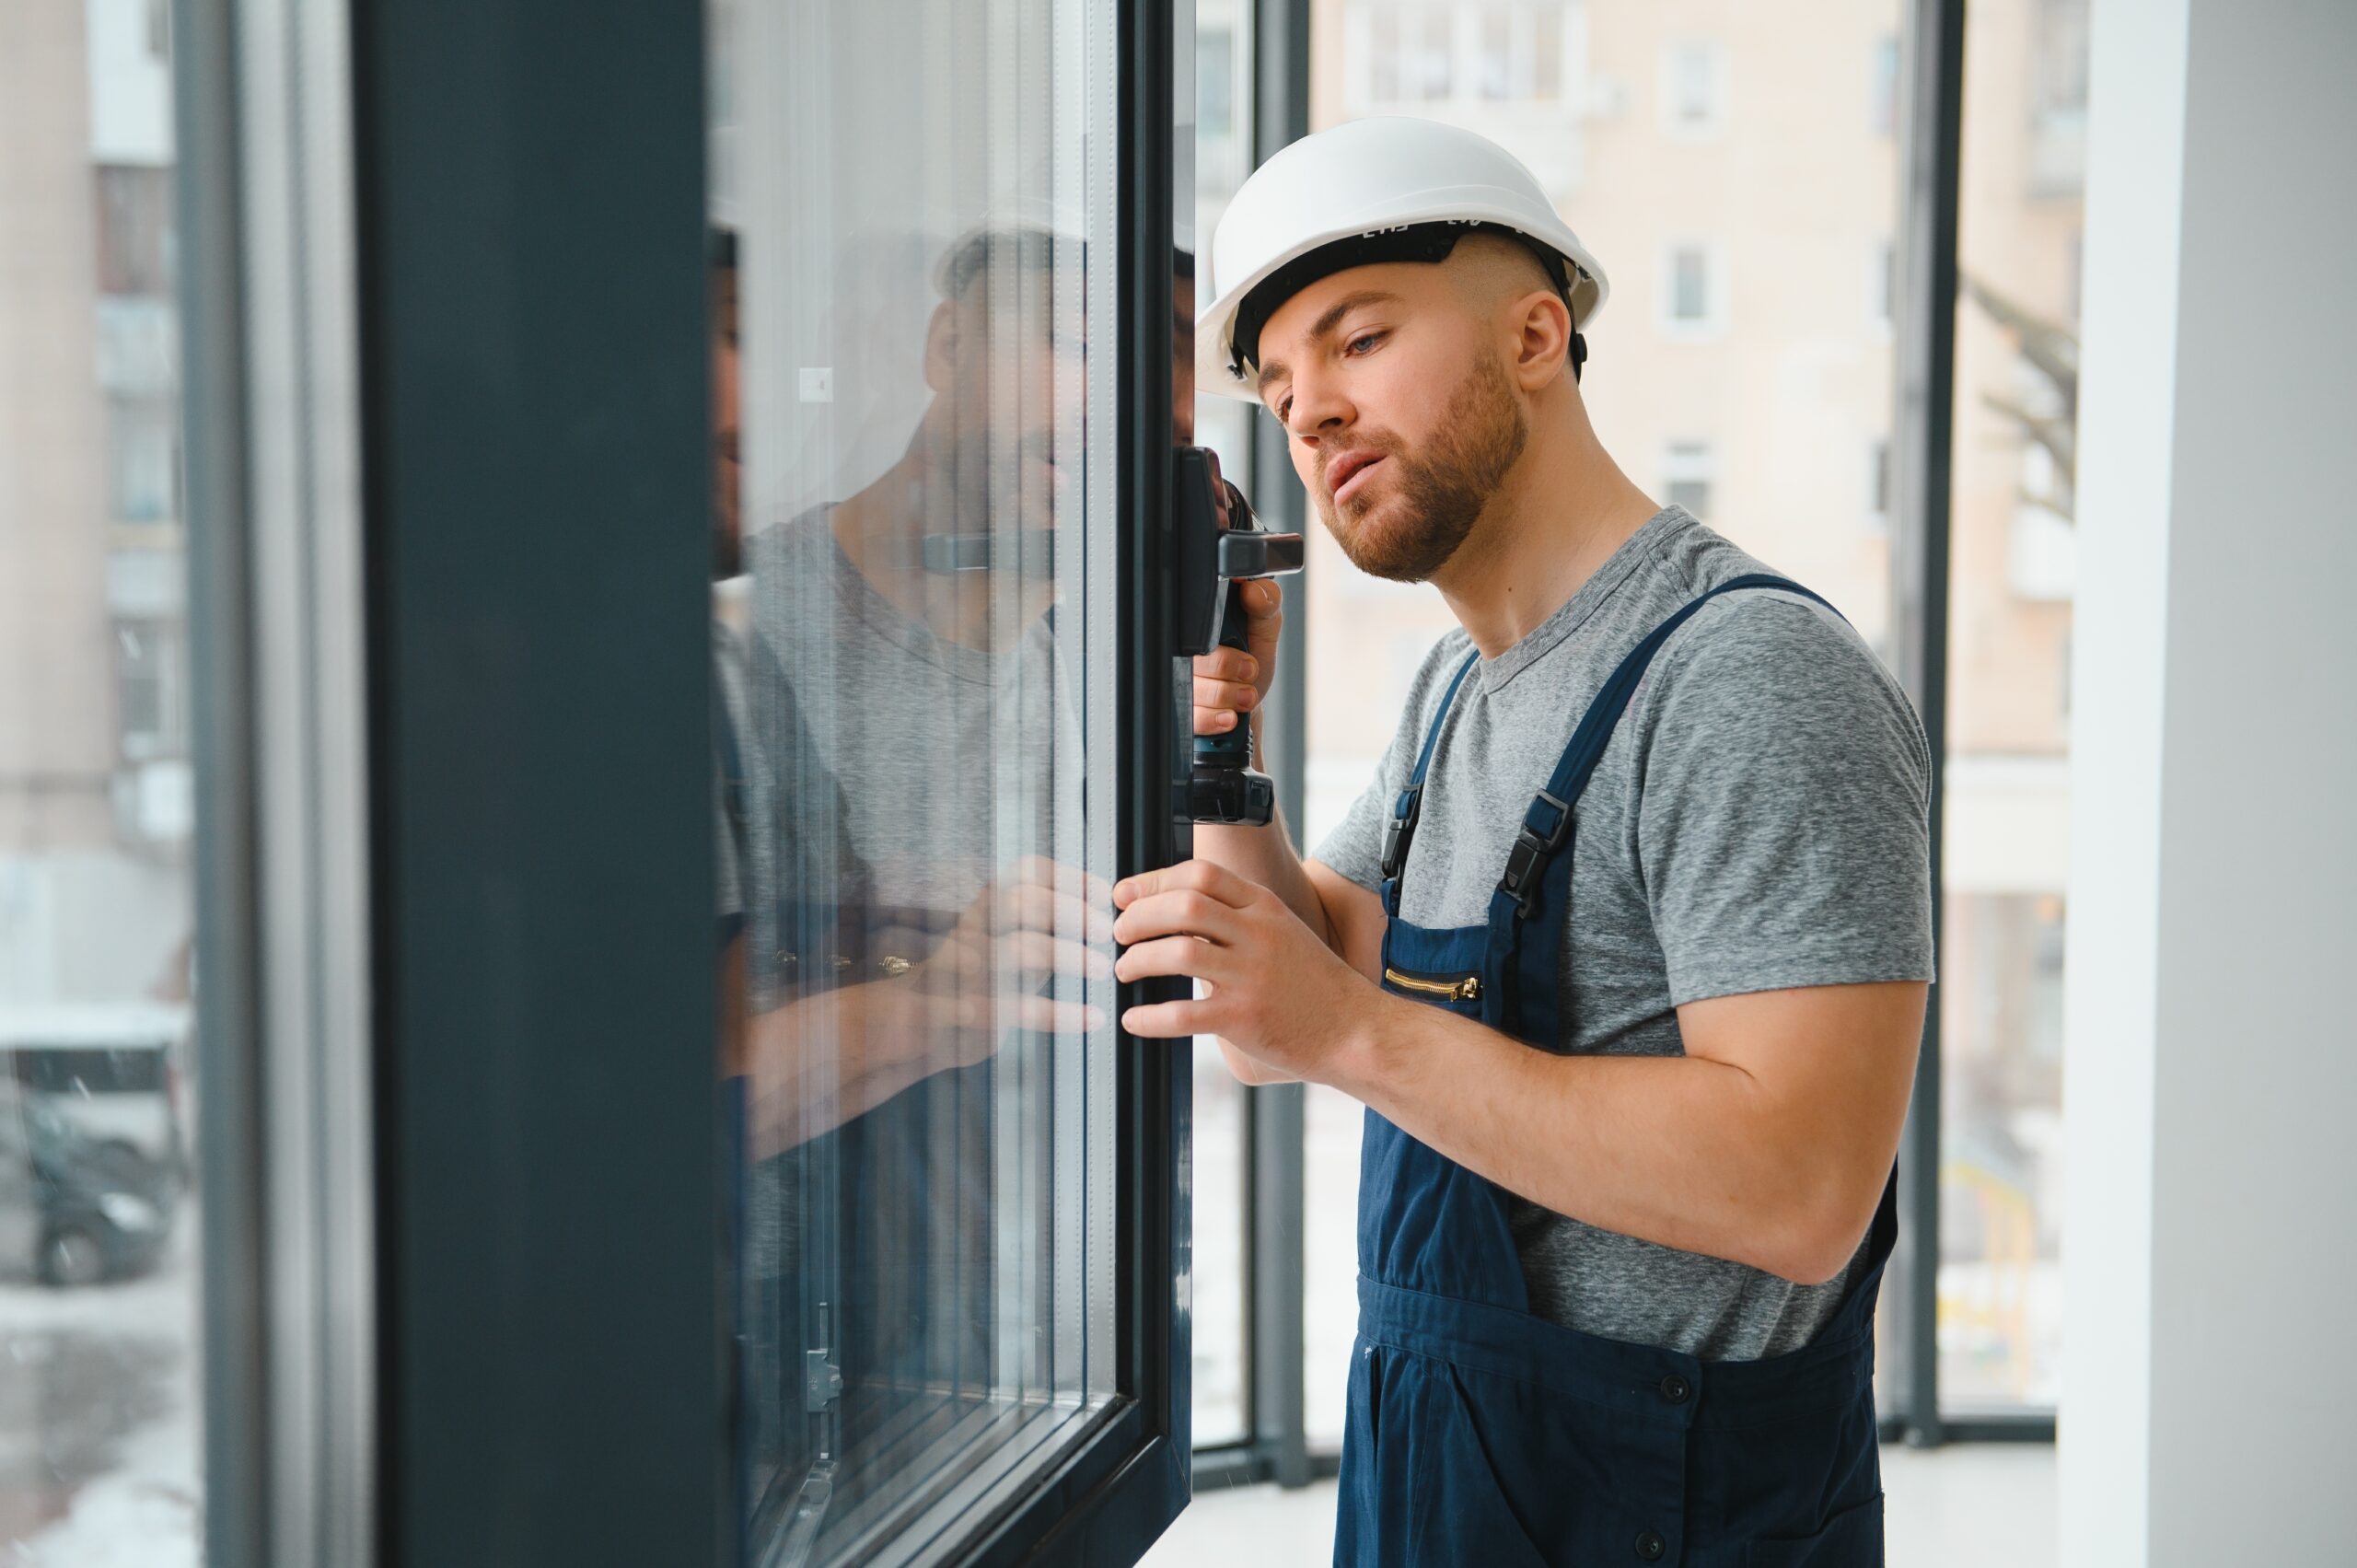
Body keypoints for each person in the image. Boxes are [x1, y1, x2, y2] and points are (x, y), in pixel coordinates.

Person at [1116, 116, 1931, 1563]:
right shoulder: (1454, 697)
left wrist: (1355, 1035)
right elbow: (1274, 1015)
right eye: (1283, 387)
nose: (1308, 414)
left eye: (1358, 339)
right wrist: (1223, 748)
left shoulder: (1745, 674)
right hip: (1444, 1488)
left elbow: (1806, 1188)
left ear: (1536, 335)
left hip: (1669, 1520)